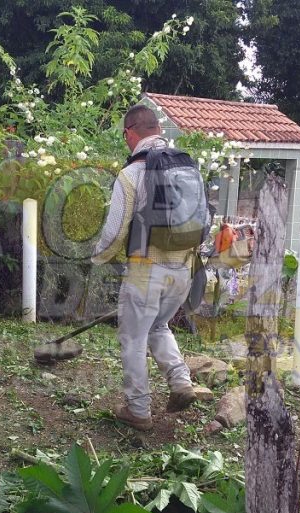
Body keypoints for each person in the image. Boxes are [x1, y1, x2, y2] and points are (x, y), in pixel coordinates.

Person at [91, 105, 200, 431]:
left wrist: (97, 257)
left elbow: (114, 231)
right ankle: (181, 382)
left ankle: (138, 410)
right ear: (158, 130)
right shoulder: (187, 166)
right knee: (158, 326)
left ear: (130, 133)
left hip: (145, 270)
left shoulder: (132, 173)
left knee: (134, 338)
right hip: (183, 267)